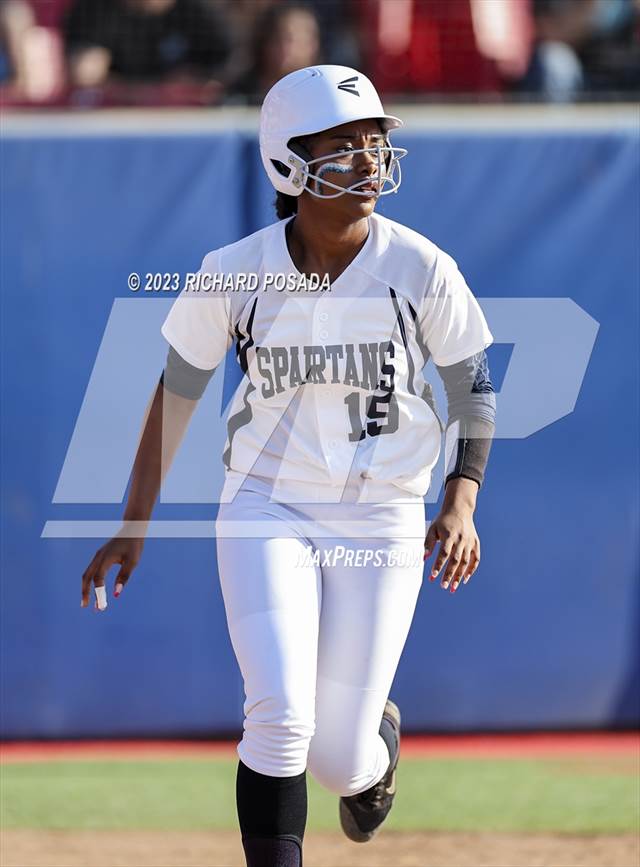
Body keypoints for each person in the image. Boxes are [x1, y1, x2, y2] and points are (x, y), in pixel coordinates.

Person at [81, 65, 496, 867]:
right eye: (343, 148)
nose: (370, 161)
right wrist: (133, 524)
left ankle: (376, 745)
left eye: (375, 143)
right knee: (278, 715)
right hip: (267, 505)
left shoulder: (419, 266)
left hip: (382, 511)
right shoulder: (235, 271)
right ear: (287, 163)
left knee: (339, 759)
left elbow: (473, 384)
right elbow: (172, 398)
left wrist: (462, 498)